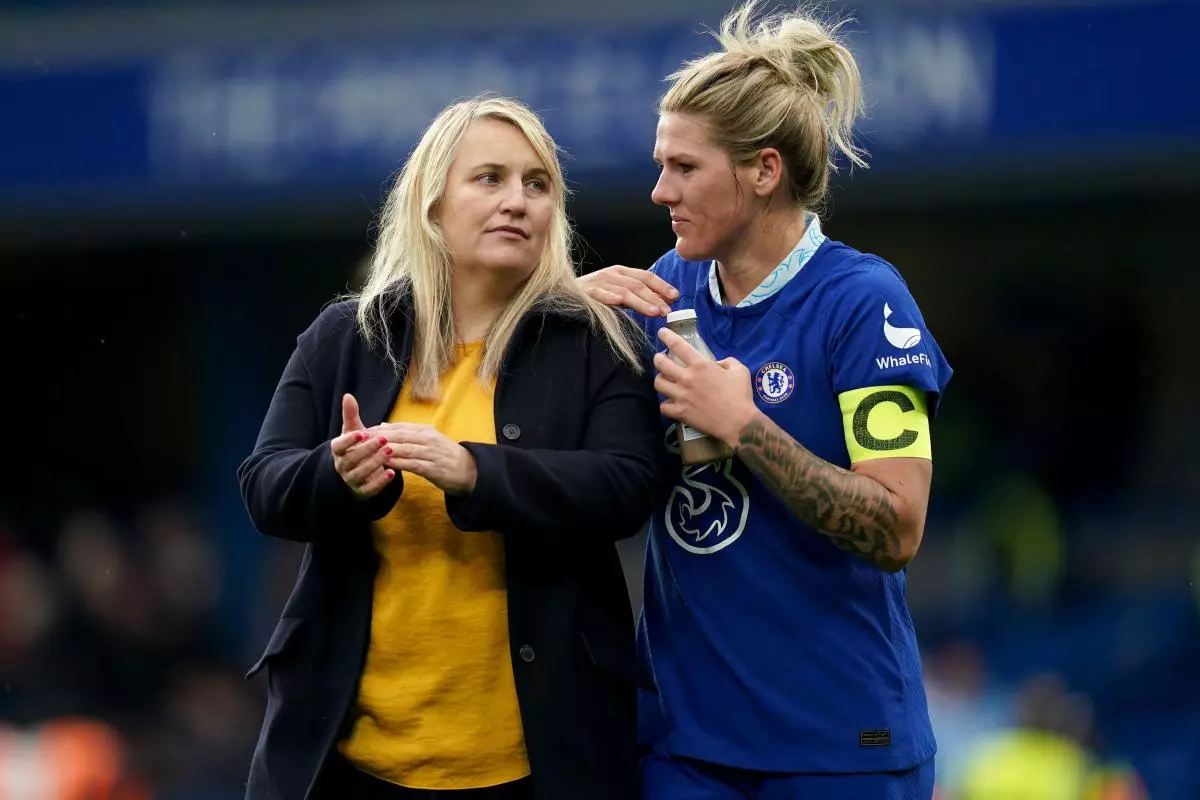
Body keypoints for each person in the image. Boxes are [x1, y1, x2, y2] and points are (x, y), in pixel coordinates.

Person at [238, 96, 666, 800]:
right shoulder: (346, 335)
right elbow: (263, 486)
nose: (517, 201)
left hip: (538, 760)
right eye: (489, 178)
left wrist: (475, 471)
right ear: (432, 204)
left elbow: (629, 487)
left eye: (537, 184)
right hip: (350, 758)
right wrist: (337, 474)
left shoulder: (596, 342)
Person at [580, 2, 953, 798]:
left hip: (842, 745)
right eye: (661, 165)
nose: (659, 191)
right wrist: (556, 304)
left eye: (685, 167)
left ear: (763, 171)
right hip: (685, 747)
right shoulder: (667, 287)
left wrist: (745, 426)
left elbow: (898, 528)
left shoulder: (865, 303)